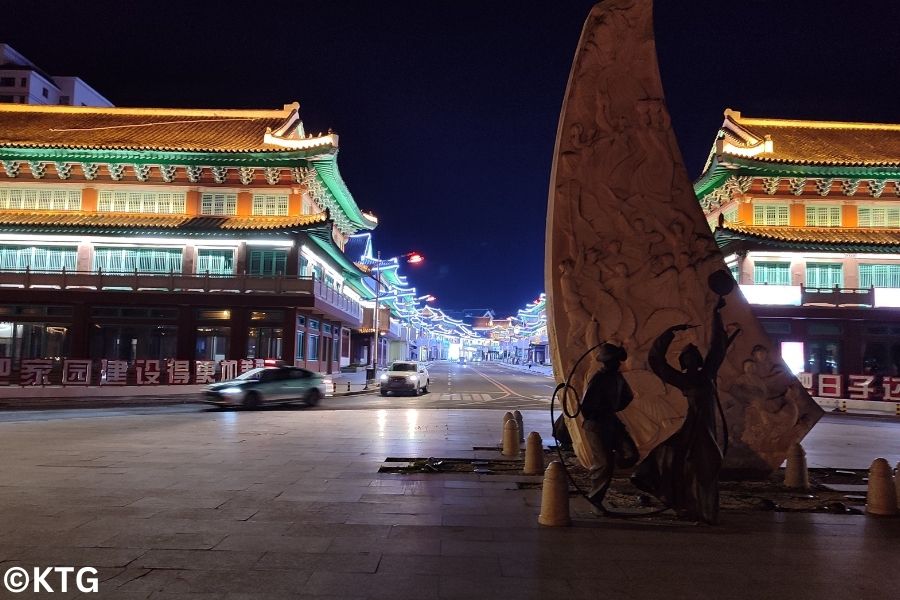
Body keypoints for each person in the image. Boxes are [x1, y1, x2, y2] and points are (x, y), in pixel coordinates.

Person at [632, 297, 733, 524]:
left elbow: (718, 347)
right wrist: (669, 333)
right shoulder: (688, 379)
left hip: (704, 431)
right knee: (672, 461)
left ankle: (705, 512)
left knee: (706, 471)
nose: (694, 357)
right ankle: (685, 505)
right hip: (693, 430)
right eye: (690, 356)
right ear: (685, 363)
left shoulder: (705, 374)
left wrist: (716, 315)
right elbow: (656, 361)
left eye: (694, 355)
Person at [580, 342, 638, 510]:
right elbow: (586, 406)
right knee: (604, 463)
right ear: (608, 362)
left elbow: (628, 396)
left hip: (611, 421)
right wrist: (598, 415)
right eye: (615, 361)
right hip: (596, 424)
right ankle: (595, 497)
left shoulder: (618, 377)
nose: (618, 364)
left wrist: (614, 408)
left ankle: (614, 470)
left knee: (630, 453)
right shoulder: (598, 378)